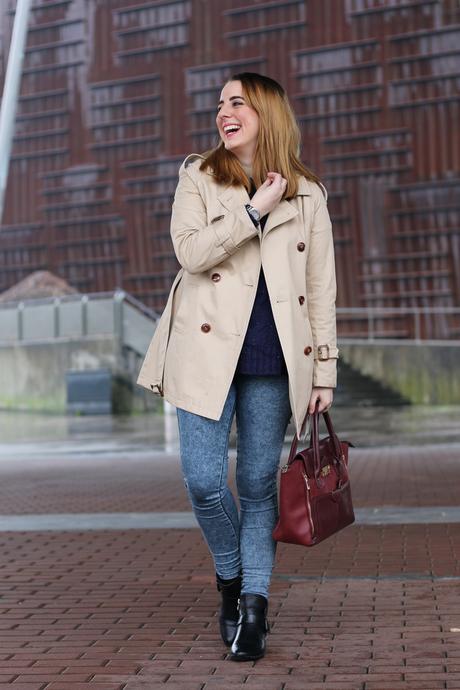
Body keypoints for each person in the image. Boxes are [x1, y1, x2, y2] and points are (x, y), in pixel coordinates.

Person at [137, 72, 339, 661]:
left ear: (267, 113)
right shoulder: (199, 175)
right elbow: (192, 252)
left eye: (237, 103)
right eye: (219, 103)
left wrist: (323, 372)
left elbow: (320, 290)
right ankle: (230, 575)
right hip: (204, 354)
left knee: (256, 487)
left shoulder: (308, 194)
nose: (223, 112)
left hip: (275, 361)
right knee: (203, 481)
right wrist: (253, 210)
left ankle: (252, 606)